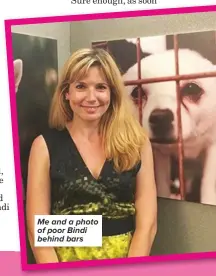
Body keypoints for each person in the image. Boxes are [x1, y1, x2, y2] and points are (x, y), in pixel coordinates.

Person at [26, 48, 157, 264]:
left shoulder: (138, 144)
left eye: (101, 87)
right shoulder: (43, 146)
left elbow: (147, 225)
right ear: (66, 93)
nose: (91, 97)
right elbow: (37, 229)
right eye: (80, 86)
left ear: (112, 93)